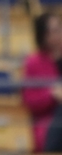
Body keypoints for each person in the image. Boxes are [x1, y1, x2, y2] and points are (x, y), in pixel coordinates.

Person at [23, 11, 62, 152]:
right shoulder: (34, 62)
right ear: (43, 35)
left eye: (60, 27)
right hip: (49, 121)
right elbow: (30, 100)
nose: (60, 33)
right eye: (54, 30)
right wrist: (52, 94)